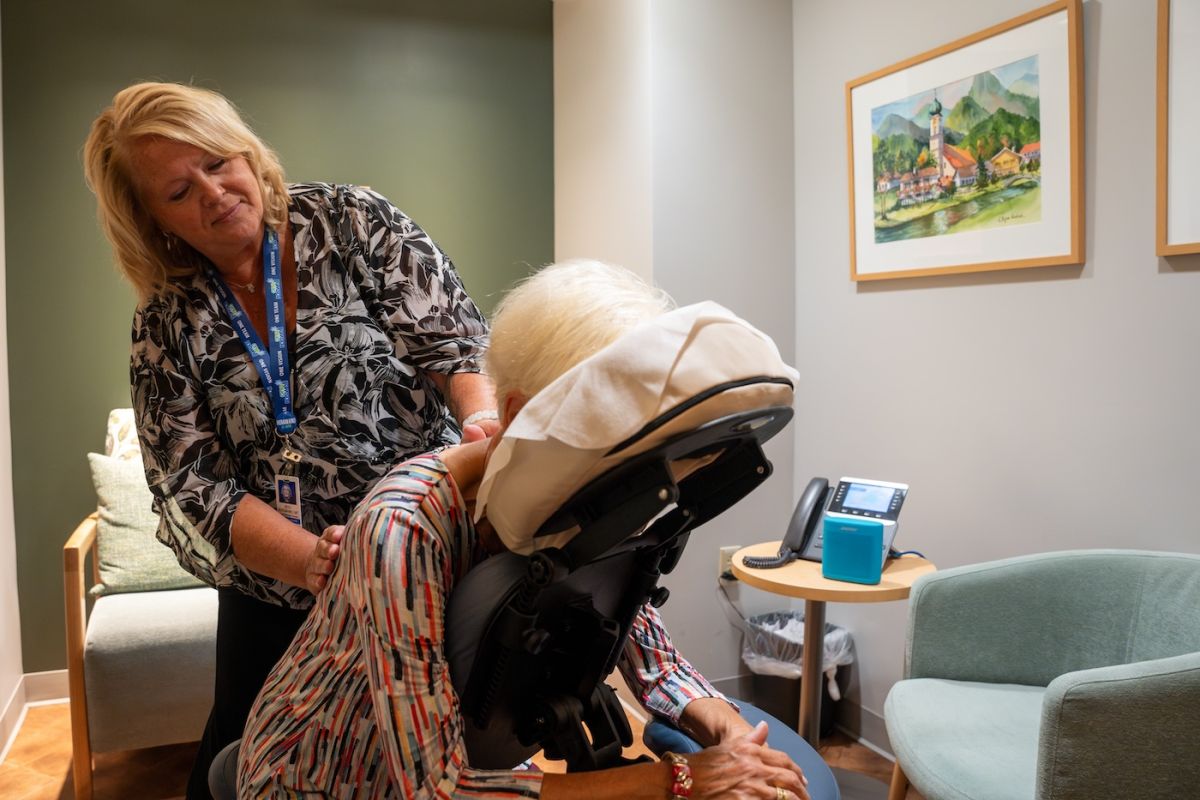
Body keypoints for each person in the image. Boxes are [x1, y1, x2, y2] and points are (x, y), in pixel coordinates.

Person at [238, 261, 812, 799]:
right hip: (326, 775)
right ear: (517, 415)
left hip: (473, 761)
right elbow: (435, 790)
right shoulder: (404, 528)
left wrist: (735, 741)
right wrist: (683, 779)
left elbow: (652, 659)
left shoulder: (585, 503)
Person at [82, 81, 499, 799]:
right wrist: (309, 561)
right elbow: (192, 482)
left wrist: (482, 427)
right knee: (250, 760)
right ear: (154, 222)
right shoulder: (166, 322)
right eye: (179, 191)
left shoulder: (351, 220)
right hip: (273, 582)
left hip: (414, 546)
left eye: (217, 162)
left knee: (418, 749)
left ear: (246, 151)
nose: (213, 194)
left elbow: (455, 347)